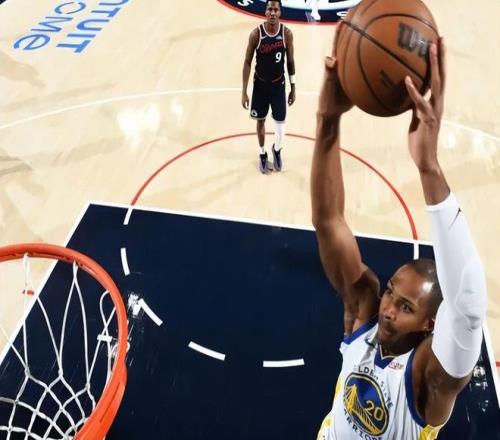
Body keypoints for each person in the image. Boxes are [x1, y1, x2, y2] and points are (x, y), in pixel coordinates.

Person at [312, 27, 487, 440]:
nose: (388, 308)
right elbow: (329, 221)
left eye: (406, 307)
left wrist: (429, 167)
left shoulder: (430, 378)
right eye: (392, 292)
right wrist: (328, 120)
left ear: (430, 324)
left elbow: (467, 304)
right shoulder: (365, 312)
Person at [241, 0, 296, 174]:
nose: (272, 13)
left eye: (275, 10)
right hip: (260, 86)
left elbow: (291, 62)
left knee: (281, 125)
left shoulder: (287, 34)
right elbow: (247, 62)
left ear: (280, 12)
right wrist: (244, 92)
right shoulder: (256, 34)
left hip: (279, 86)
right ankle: (262, 153)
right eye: (269, 9)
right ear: (265, 12)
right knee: (261, 121)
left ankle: (277, 150)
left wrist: (293, 88)